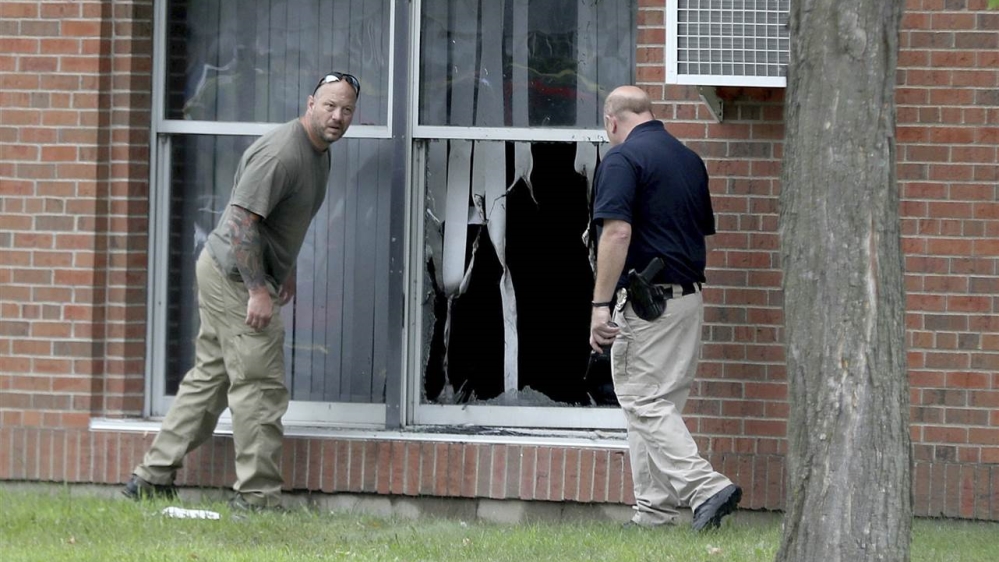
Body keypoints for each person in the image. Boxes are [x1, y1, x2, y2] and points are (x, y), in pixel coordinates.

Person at [122, 72, 361, 512]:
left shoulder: (318, 152)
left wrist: (283, 269)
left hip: (232, 270)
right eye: (330, 105)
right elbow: (241, 222)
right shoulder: (282, 154)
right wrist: (257, 291)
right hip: (234, 277)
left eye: (347, 109)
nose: (337, 116)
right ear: (310, 103)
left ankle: (151, 477)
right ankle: (256, 498)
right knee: (260, 386)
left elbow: (277, 220)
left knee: (211, 380)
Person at [589, 85, 741, 531]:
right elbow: (695, 230)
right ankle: (653, 514)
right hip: (687, 299)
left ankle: (705, 487)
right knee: (657, 407)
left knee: (640, 400)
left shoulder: (622, 158)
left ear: (612, 121)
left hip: (648, 306)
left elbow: (617, 233)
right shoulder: (688, 159)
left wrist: (600, 305)